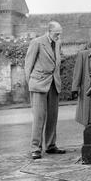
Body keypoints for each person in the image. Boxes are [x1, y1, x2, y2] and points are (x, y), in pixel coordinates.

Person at [24, 21, 65, 159]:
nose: (59, 36)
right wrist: (31, 83)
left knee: (53, 117)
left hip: (54, 84)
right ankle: (35, 148)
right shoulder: (37, 42)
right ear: (49, 31)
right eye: (56, 33)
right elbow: (28, 65)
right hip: (38, 84)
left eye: (60, 33)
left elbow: (56, 62)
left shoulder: (58, 43)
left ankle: (50, 145)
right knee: (39, 117)